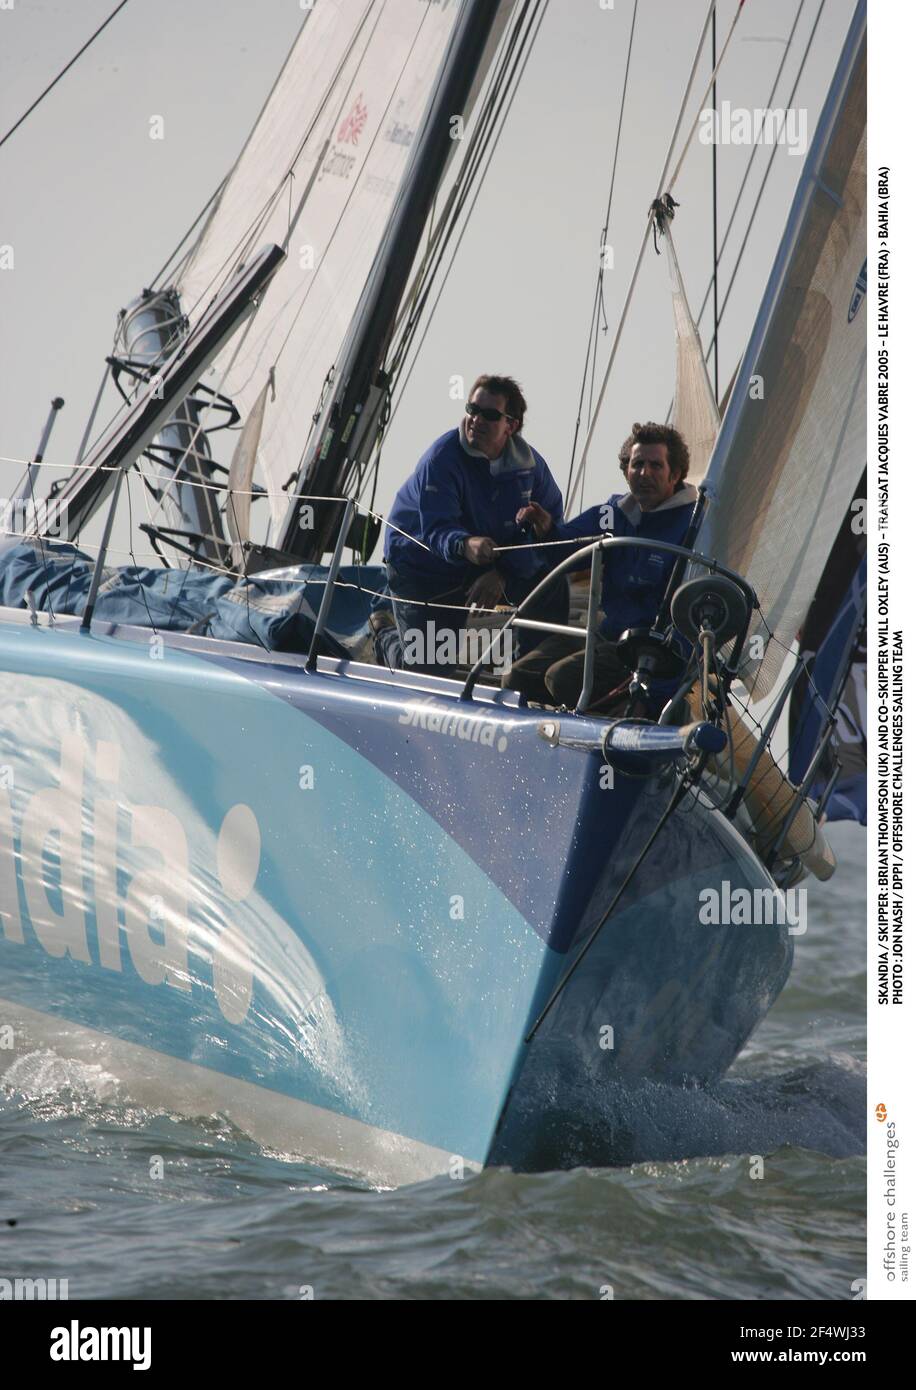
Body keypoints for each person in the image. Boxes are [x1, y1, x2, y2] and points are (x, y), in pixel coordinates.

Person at [373, 375, 568, 675]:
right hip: (423, 565)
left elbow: (551, 532)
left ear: (511, 426)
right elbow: (436, 529)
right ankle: (384, 631)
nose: (476, 419)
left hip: (485, 562)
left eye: (489, 415)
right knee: (428, 669)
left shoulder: (529, 468)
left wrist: (503, 572)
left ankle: (530, 674)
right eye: (471, 409)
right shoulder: (441, 459)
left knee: (549, 581)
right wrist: (465, 545)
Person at [504, 421, 698, 709]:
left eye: (656, 466)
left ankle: (615, 723)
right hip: (610, 635)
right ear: (626, 470)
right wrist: (546, 529)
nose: (645, 473)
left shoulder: (694, 525)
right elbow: (569, 546)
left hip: (651, 649)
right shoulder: (615, 513)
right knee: (517, 678)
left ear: (676, 474)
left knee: (565, 679)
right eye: (637, 464)